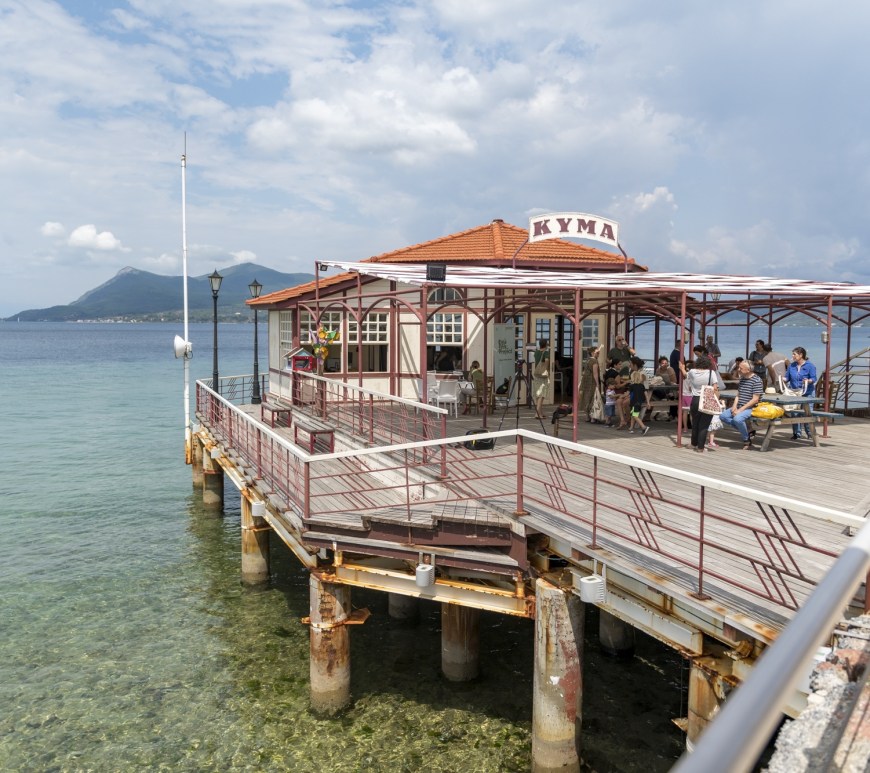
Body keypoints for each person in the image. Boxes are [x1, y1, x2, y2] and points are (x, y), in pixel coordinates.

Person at [679, 355, 722, 452]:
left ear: (697, 363)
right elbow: (715, 388)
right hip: (707, 399)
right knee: (704, 425)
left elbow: (685, 375)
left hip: (695, 399)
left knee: (695, 423)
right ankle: (700, 447)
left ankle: (693, 444)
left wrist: (682, 368)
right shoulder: (711, 373)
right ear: (708, 364)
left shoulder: (692, 371)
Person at [719, 361, 763, 450]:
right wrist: (734, 406)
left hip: (752, 408)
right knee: (723, 416)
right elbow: (738, 395)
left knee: (737, 419)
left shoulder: (757, 380)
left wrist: (740, 410)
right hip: (740, 405)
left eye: (741, 368)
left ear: (748, 370)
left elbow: (755, 400)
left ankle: (746, 439)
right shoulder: (742, 379)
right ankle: (748, 431)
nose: (738, 369)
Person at [784, 346, 817, 440]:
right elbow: (787, 378)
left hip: (807, 392)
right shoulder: (791, 366)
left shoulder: (810, 366)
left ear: (801, 355)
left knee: (807, 413)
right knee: (794, 413)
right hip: (794, 393)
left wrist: (809, 381)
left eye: (794, 354)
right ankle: (796, 433)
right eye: (793, 354)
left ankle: (810, 433)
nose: (792, 356)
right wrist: (782, 379)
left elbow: (814, 378)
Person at [578, 345, 602, 422]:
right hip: (592, 382)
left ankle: (587, 416)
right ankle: (592, 417)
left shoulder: (588, 360)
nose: (598, 354)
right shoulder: (594, 361)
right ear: (592, 353)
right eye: (597, 353)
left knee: (586, 398)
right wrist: (597, 383)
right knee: (593, 398)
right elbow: (595, 374)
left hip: (585, 381)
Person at [532, 339, 552, 420]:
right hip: (543, 376)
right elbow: (546, 362)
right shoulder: (546, 353)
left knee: (538, 395)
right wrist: (546, 370)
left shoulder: (536, 352)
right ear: (546, 344)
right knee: (542, 395)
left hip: (537, 375)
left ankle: (540, 413)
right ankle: (537, 413)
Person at [627, 369, 651, 435]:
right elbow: (646, 394)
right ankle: (631, 428)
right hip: (639, 403)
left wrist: (621, 396)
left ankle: (644, 427)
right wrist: (648, 402)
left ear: (632, 378)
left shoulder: (631, 386)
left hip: (634, 403)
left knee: (635, 416)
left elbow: (627, 394)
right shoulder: (642, 386)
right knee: (633, 415)